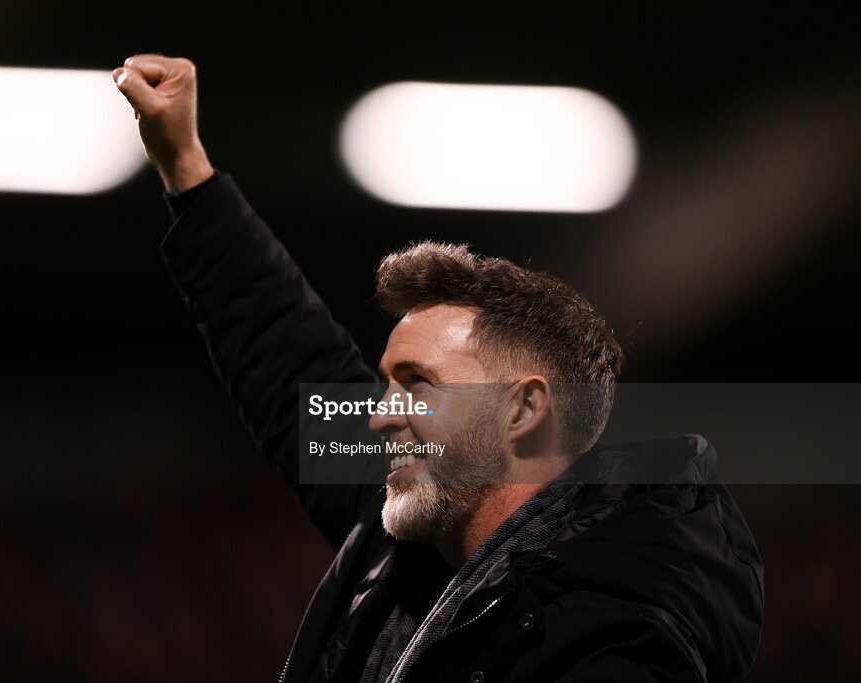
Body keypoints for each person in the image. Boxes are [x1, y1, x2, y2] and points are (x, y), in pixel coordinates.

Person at [112, 55, 764, 682]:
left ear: (521, 409)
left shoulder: (615, 632)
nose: (377, 411)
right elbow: (291, 359)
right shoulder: (423, 524)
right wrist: (186, 166)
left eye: (417, 383)